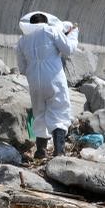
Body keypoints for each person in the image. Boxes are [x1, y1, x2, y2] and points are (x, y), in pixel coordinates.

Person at [16, 11, 79, 159]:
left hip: (34, 82)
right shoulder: (51, 30)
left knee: (39, 113)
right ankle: (59, 151)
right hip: (53, 78)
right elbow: (68, 49)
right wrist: (73, 34)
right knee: (59, 111)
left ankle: (40, 151)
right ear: (46, 22)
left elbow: (22, 68)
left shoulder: (22, 40)